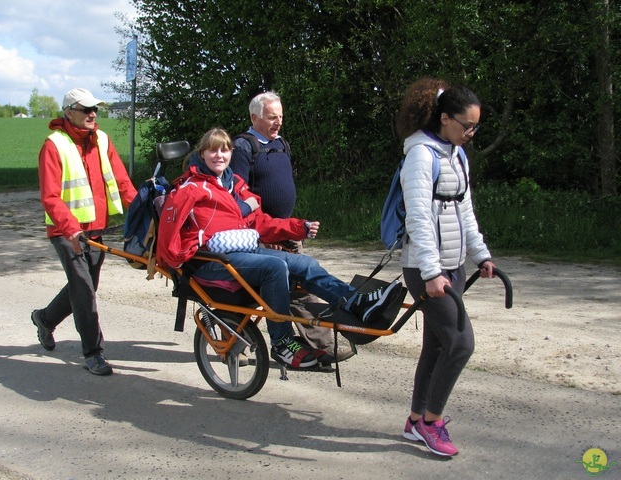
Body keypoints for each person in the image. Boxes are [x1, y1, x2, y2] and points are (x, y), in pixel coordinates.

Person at [158, 127, 402, 370]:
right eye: (212, 150)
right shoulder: (189, 188)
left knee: (303, 263)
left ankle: (354, 302)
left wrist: (299, 228)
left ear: (231, 153)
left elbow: (261, 223)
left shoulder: (235, 185)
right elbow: (168, 231)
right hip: (211, 263)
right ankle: (282, 342)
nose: (219, 155)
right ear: (202, 154)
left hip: (242, 254)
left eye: (224, 149)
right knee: (275, 267)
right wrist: (178, 262)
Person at [395, 78, 497, 456]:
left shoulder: (455, 153)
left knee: (437, 348)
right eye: (465, 125)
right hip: (426, 269)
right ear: (444, 118)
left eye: (475, 126)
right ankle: (431, 423)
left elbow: (464, 212)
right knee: (460, 343)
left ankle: (415, 420)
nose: (470, 133)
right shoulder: (421, 155)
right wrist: (431, 272)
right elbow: (419, 219)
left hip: (450, 266)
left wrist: (481, 255)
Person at [229, 91, 355, 365]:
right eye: (272, 117)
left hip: (286, 231)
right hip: (259, 236)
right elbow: (238, 197)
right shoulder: (243, 147)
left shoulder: (281, 144)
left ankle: (325, 345)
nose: (278, 122)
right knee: (248, 296)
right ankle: (233, 346)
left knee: (301, 289)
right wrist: (265, 234)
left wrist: (296, 227)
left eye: (281, 117)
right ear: (255, 117)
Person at [31, 88, 138, 376]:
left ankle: (44, 318)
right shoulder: (54, 145)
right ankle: (93, 353)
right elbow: (50, 197)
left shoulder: (101, 140)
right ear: (68, 112)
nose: (92, 114)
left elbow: (122, 182)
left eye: (95, 110)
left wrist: (144, 212)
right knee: (84, 291)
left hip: (95, 229)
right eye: (85, 109)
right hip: (66, 233)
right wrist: (71, 229)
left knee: (85, 287)